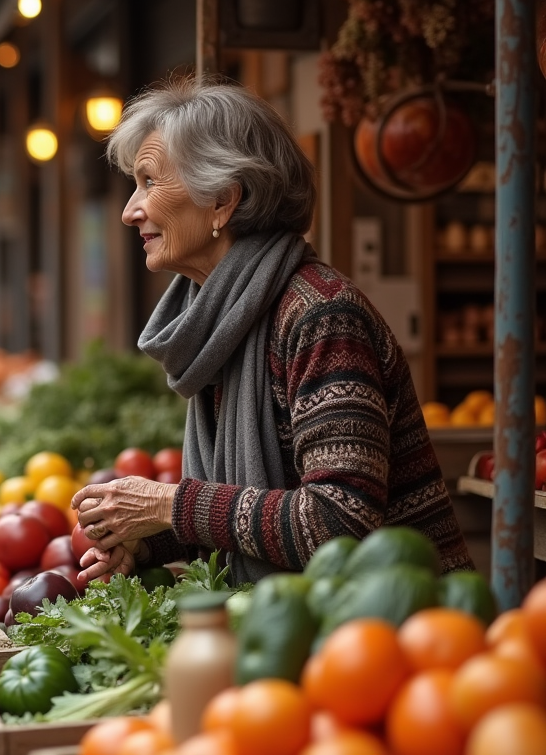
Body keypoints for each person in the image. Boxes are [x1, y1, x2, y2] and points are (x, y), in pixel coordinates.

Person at [71, 77, 472, 585]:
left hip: (408, 632)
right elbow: (249, 506)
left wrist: (173, 504)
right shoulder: (221, 321)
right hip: (308, 624)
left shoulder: (321, 314)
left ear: (222, 201)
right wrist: (148, 542)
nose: (131, 210)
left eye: (149, 181)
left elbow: (340, 522)